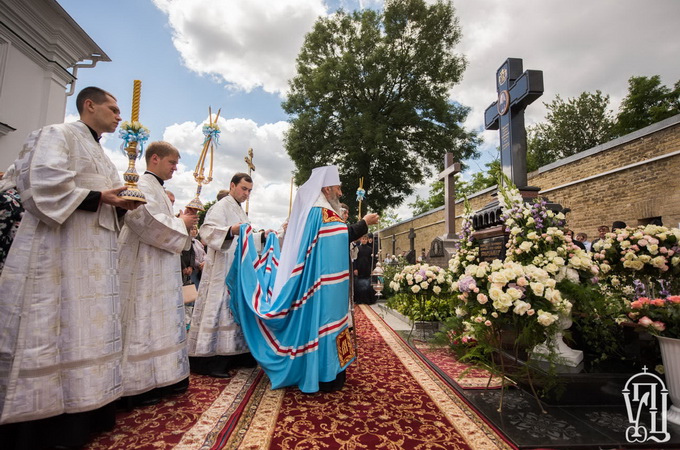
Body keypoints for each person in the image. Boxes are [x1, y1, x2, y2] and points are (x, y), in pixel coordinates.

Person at [0, 86, 139, 449]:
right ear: (88, 105)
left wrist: (120, 204)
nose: (119, 116)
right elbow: (41, 185)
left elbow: (106, 194)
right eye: (113, 108)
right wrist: (100, 197)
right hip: (60, 251)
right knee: (55, 327)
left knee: (87, 331)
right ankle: (45, 423)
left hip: (96, 252)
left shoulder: (101, 153)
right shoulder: (57, 134)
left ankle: (87, 409)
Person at [228, 165, 379, 393]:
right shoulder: (320, 211)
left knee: (331, 323)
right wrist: (364, 223)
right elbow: (337, 237)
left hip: (328, 282)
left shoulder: (321, 210)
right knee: (326, 323)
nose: (340, 193)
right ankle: (325, 374)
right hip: (322, 284)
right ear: (327, 188)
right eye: (337, 188)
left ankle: (331, 371)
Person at [117, 141, 198, 407]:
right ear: (154, 159)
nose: (175, 168)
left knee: (159, 321)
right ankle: (139, 384)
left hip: (161, 263)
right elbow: (141, 219)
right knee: (143, 318)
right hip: (143, 263)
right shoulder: (141, 184)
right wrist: (180, 223)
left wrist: (183, 226)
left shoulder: (158, 188)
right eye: (172, 162)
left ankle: (163, 376)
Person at [187, 173, 267, 378]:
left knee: (234, 312)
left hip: (237, 270)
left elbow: (246, 236)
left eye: (250, 191)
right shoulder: (221, 206)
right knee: (219, 309)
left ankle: (236, 354)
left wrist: (262, 236)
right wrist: (231, 230)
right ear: (232, 185)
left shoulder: (240, 211)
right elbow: (207, 232)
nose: (247, 194)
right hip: (221, 271)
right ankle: (210, 360)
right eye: (244, 189)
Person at [353, 234, 377, 304]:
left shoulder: (370, 249)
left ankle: (367, 300)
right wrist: (355, 268)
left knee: (367, 284)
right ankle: (359, 299)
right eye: (362, 239)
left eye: (365, 239)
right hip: (359, 268)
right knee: (359, 284)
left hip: (367, 268)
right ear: (360, 240)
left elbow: (372, 260)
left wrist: (373, 269)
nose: (364, 240)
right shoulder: (357, 248)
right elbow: (355, 259)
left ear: (367, 240)